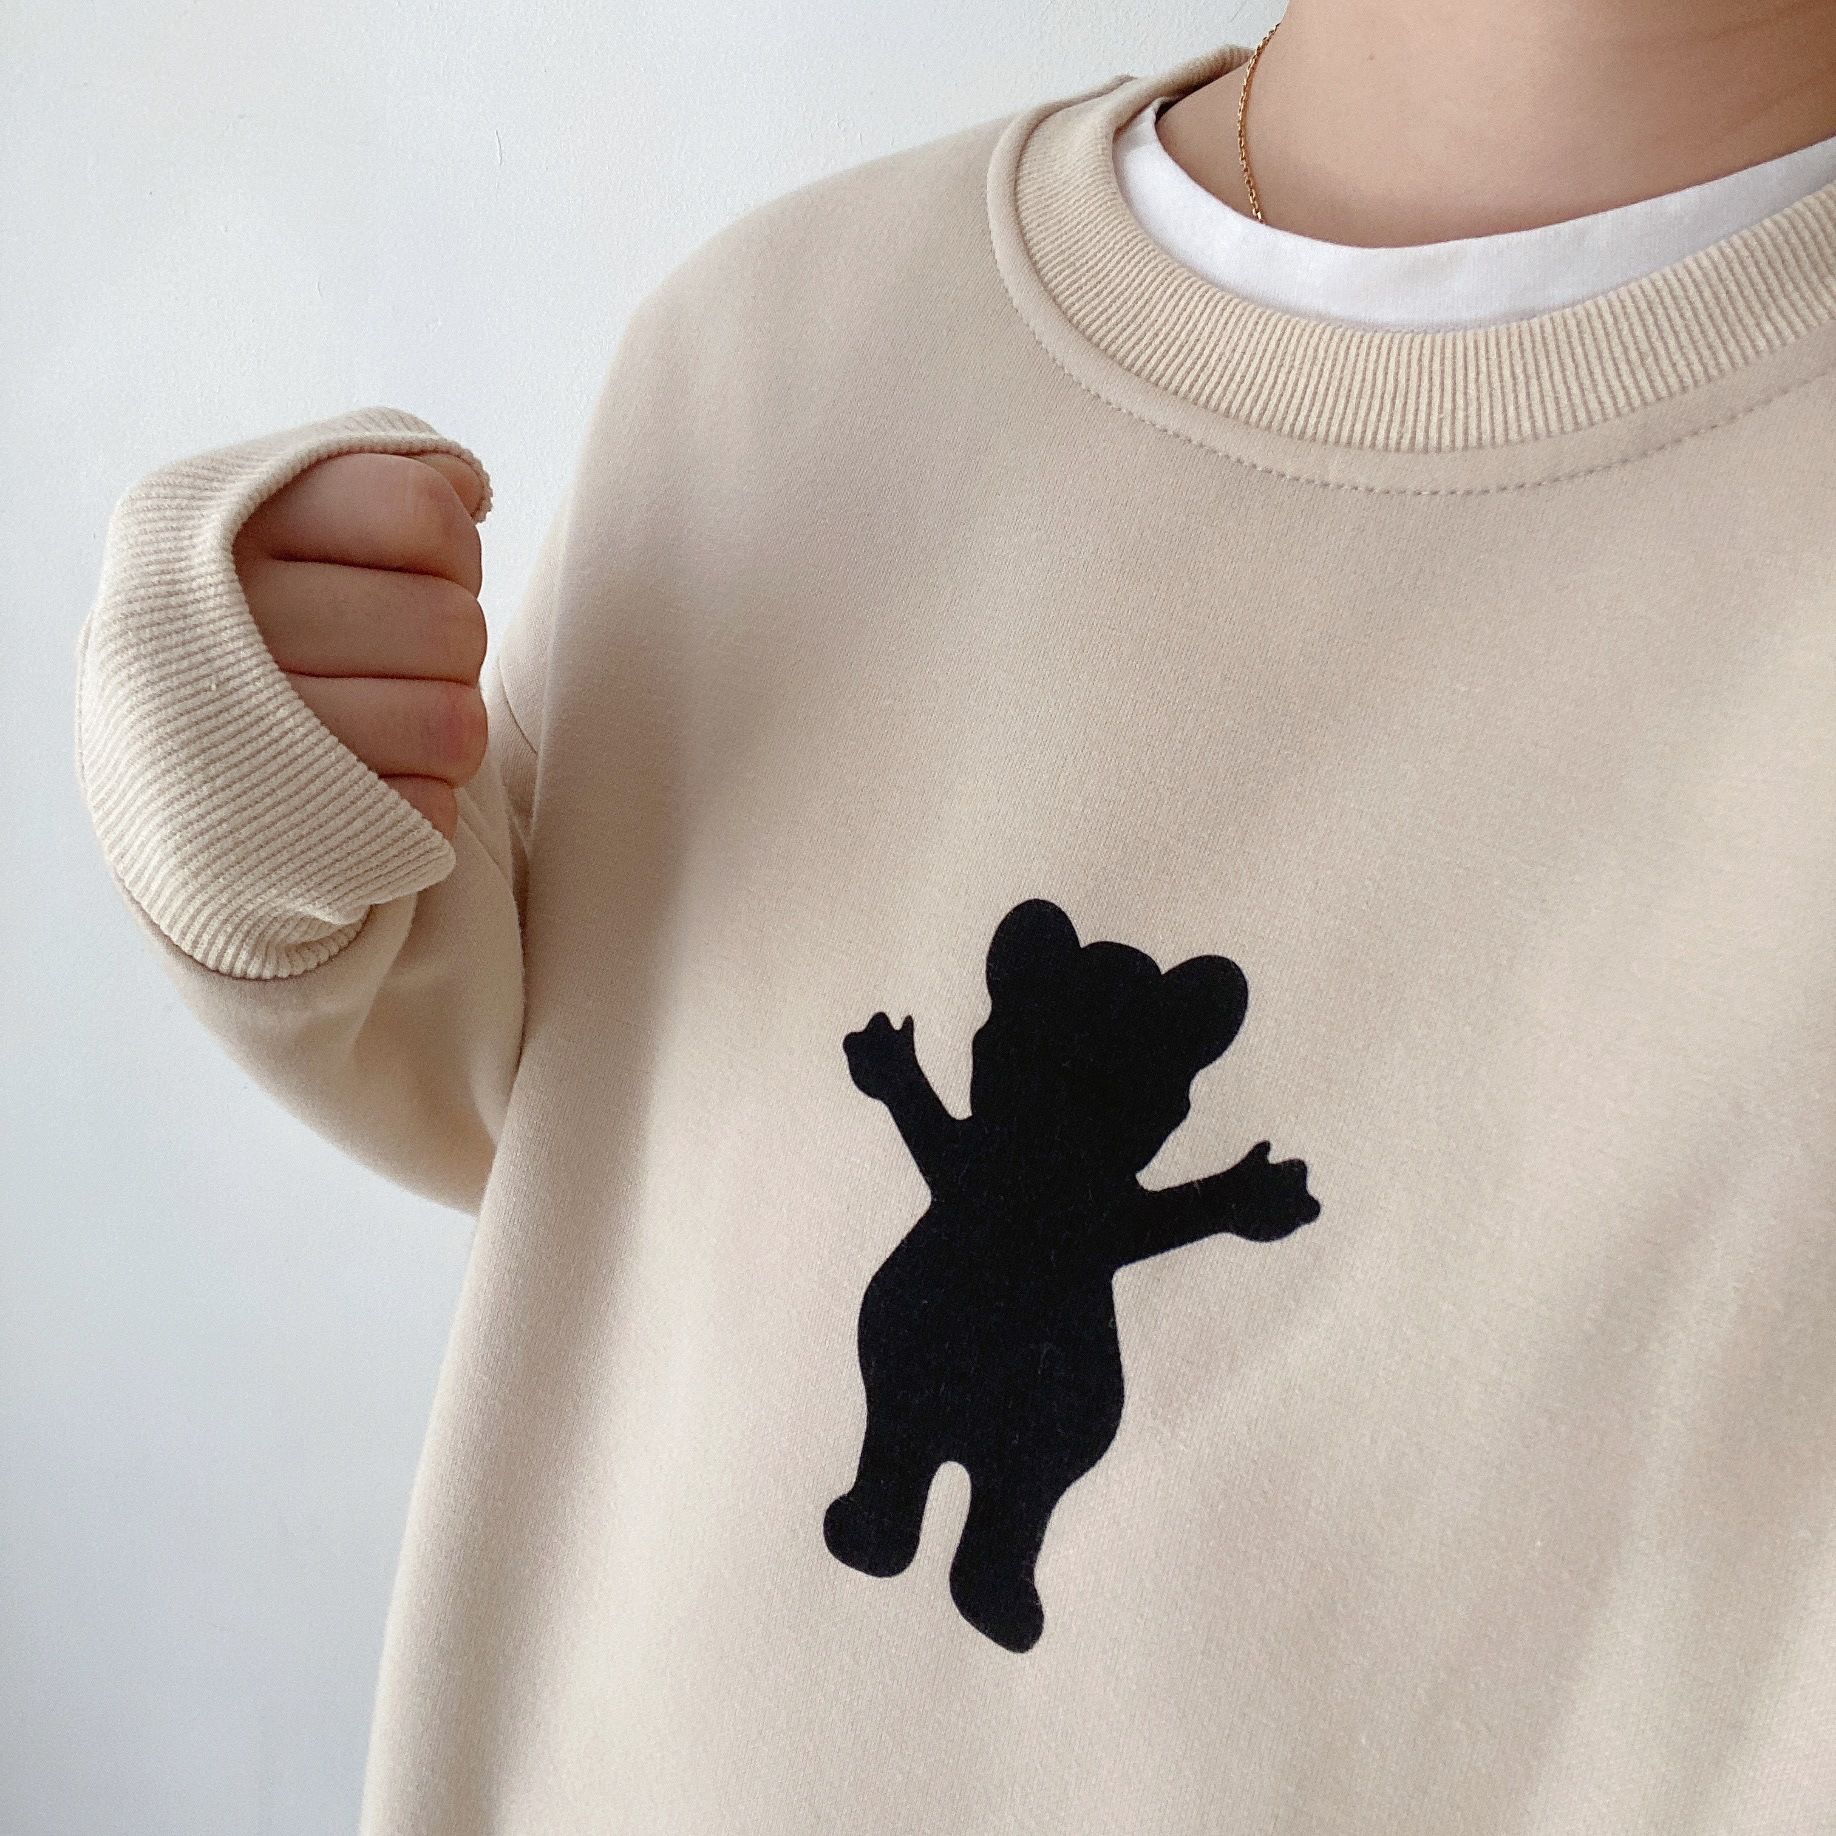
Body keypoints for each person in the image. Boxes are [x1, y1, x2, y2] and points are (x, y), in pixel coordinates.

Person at [72, 3, 1836, 1828]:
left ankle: (983, 1534)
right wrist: (253, 746)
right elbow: (529, 1089)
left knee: (1015, 1436)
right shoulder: (785, 353)